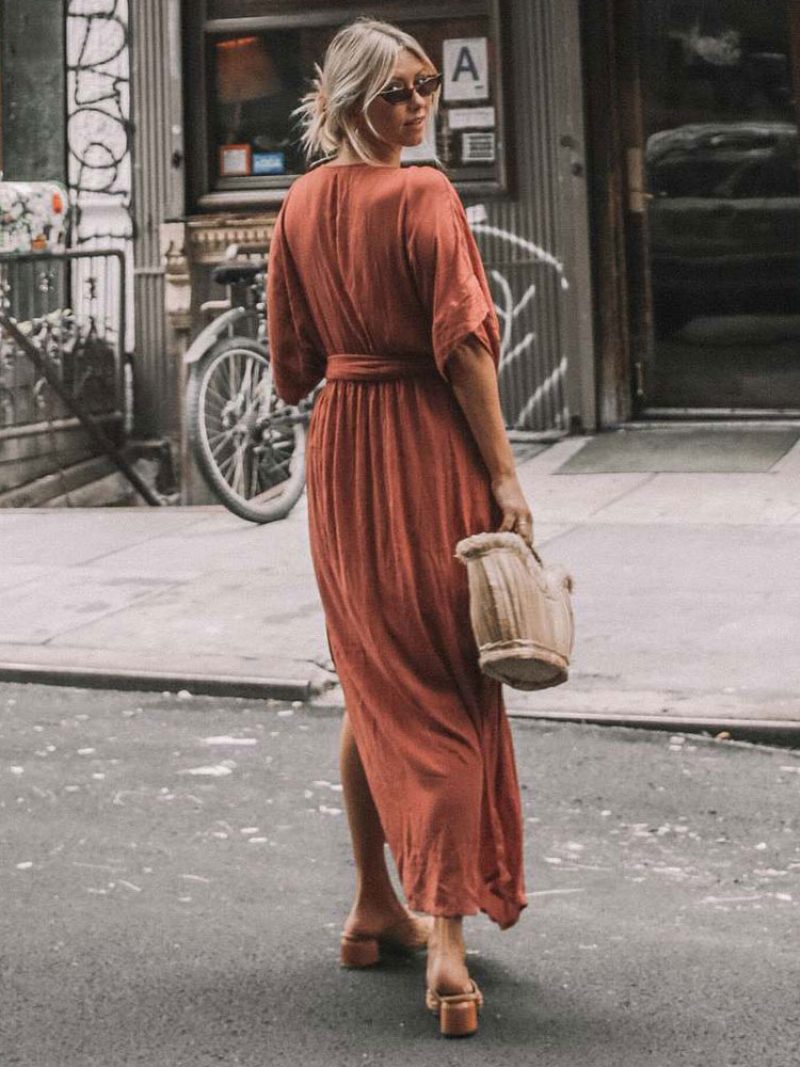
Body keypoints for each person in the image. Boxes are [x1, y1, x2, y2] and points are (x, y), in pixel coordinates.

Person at [267, 17, 533, 1037]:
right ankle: (450, 950)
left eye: (425, 86)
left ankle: (372, 906)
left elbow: (289, 364)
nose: (417, 106)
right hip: (426, 447)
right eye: (394, 92)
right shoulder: (424, 194)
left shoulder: (297, 204)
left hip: (341, 452)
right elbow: (464, 350)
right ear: (345, 103)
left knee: (373, 684)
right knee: (449, 695)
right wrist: (505, 478)